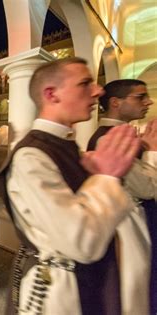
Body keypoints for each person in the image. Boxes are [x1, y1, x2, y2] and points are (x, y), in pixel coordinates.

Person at [0, 57, 142, 314]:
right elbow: (80, 240)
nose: (98, 91)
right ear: (51, 94)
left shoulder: (63, 145)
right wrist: (107, 177)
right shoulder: (31, 156)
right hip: (59, 294)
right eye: (85, 83)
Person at [87, 79, 157, 314]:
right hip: (128, 229)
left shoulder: (120, 134)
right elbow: (148, 189)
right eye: (140, 97)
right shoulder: (109, 138)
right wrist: (152, 154)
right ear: (116, 103)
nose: (148, 101)